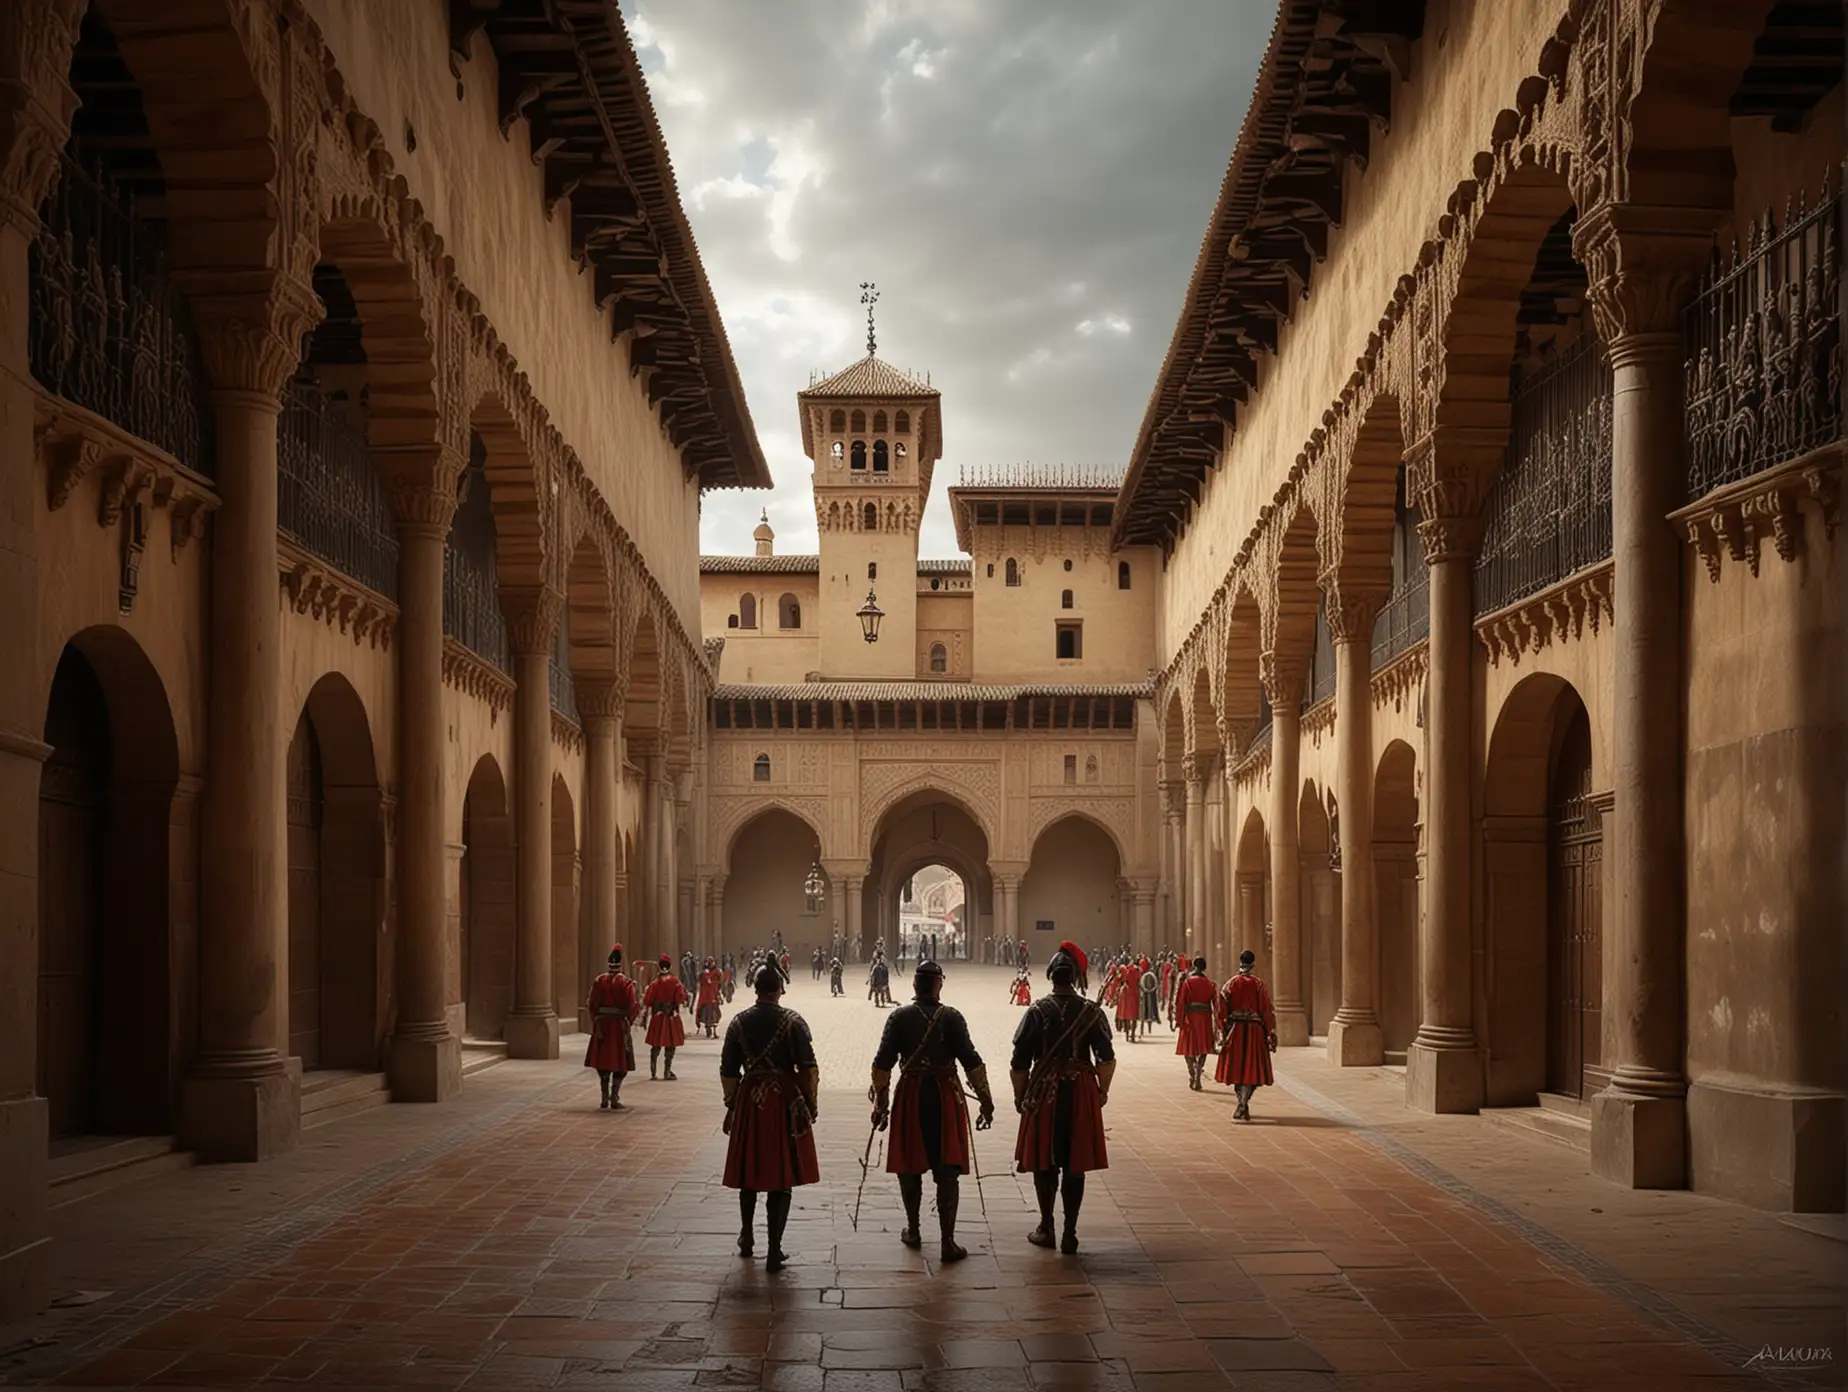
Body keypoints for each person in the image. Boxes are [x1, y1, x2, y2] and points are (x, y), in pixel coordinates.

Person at [870, 960, 996, 1261]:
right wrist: (986, 1100)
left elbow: (882, 1064)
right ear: (939, 984)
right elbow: (972, 1061)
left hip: (911, 1095)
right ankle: (947, 1241)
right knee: (947, 1168)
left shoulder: (899, 1017)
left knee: (909, 1165)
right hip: (945, 1095)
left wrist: (882, 1105)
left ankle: (913, 1229)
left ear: (914, 985)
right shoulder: (951, 1018)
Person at [1011, 941, 1115, 1254]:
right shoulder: (1091, 1012)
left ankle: (1047, 1226)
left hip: (1045, 1091)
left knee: (1046, 1161)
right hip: (1080, 1088)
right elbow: (1106, 1057)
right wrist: (1101, 1091)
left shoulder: (1037, 1011)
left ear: (1051, 977)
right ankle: (1070, 1231)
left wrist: (1020, 1097)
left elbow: (1019, 1062)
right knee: (1074, 1162)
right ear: (1074, 979)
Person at [720, 964, 821, 1272]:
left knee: (748, 1171)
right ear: (780, 989)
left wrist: (732, 1103)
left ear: (756, 988)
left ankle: (747, 1234)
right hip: (783, 1101)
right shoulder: (793, 1022)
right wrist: (810, 1104)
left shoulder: (738, 1023)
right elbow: (808, 1068)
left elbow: (727, 1070)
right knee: (782, 1174)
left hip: (750, 1099)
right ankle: (774, 1250)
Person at [1215, 950, 1279, 1121]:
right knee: (1252, 1069)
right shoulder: (1259, 985)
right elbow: (1266, 1010)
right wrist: (1270, 1032)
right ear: (1253, 963)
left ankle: (1241, 1103)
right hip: (1255, 1031)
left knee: (1237, 1068)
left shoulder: (1230, 984)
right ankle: (1243, 1102)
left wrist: (1223, 1029)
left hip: (1236, 1030)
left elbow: (1222, 1009)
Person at [585, 945, 639, 1110]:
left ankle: (604, 1097)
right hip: (618, 1026)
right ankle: (614, 1096)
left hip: (602, 1026)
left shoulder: (599, 981)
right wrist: (629, 1020)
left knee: (603, 1062)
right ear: (621, 964)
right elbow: (632, 1006)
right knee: (620, 1062)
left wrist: (596, 1021)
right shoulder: (626, 983)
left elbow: (591, 1004)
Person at [643, 954, 691, 1080]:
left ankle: (653, 1073)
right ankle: (667, 1071)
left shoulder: (655, 983)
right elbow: (681, 996)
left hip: (658, 1017)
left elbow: (648, 1000)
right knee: (670, 1045)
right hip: (671, 1017)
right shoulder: (675, 981)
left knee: (655, 1045)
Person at [1173, 955, 1217, 1090]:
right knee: (1203, 1048)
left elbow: (1181, 1003)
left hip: (1190, 1018)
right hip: (1205, 1018)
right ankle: (1198, 1073)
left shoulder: (1187, 983)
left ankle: (1192, 1074)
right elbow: (1216, 1005)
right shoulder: (1211, 984)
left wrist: (1179, 1020)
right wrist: (1219, 1024)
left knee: (1188, 1048)